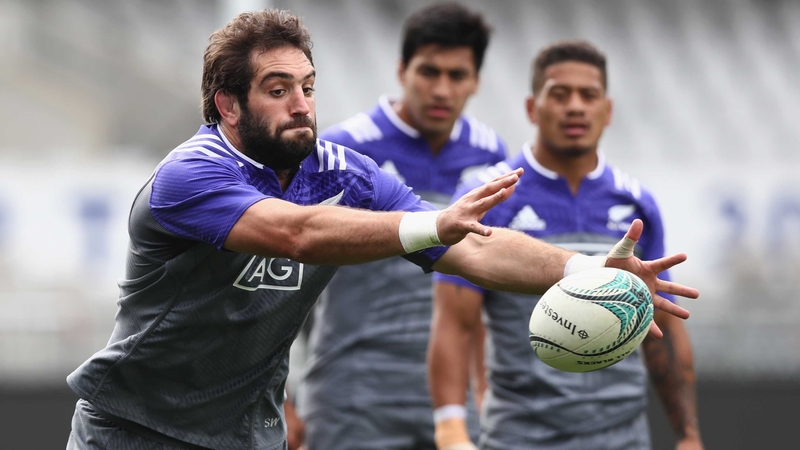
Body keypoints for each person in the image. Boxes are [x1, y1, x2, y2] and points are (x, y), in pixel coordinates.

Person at [64, 11, 696, 450]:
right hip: (136, 427)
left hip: (247, 434)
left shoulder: (345, 171)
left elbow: (471, 250)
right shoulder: (192, 175)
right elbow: (297, 235)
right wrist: (430, 224)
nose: (302, 105)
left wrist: (584, 270)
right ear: (226, 104)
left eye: (308, 87)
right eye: (277, 90)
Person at [429, 41, 703, 450]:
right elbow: (455, 322)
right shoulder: (490, 196)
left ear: (606, 111)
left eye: (588, 95)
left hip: (623, 438)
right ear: (531, 108)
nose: (575, 107)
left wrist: (688, 435)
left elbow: (664, 327)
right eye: (559, 94)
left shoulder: (636, 204)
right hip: (520, 436)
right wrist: (452, 431)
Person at [295, 3, 504, 449]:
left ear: (476, 81)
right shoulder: (342, 149)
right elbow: (286, 278)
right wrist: (284, 395)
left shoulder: (490, 154)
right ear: (402, 70)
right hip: (353, 391)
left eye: (457, 75)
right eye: (429, 71)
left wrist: (487, 391)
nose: (442, 89)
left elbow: (486, 285)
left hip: (453, 397)